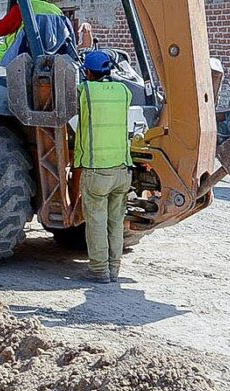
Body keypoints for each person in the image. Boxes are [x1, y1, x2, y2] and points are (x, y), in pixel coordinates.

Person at [74, 49, 133, 284]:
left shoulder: (85, 91)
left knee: (97, 220)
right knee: (116, 221)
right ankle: (114, 269)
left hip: (96, 170)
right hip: (122, 170)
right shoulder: (124, 92)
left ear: (88, 72)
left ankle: (100, 270)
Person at [0, 0, 65, 63]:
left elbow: (0, 29)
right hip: (47, 57)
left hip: (11, 56)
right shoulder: (56, 10)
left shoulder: (25, 7)